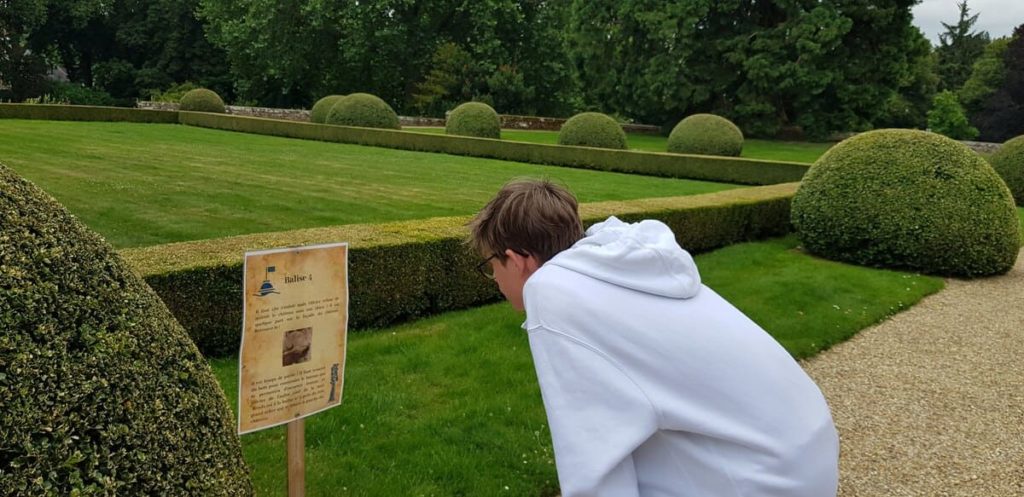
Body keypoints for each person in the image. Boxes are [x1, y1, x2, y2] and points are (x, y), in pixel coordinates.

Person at [468, 179, 839, 497]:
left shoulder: (553, 291)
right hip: (806, 451)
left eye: (491, 266)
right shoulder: (615, 265)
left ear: (518, 260)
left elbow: (593, 463)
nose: (495, 281)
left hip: (764, 480)